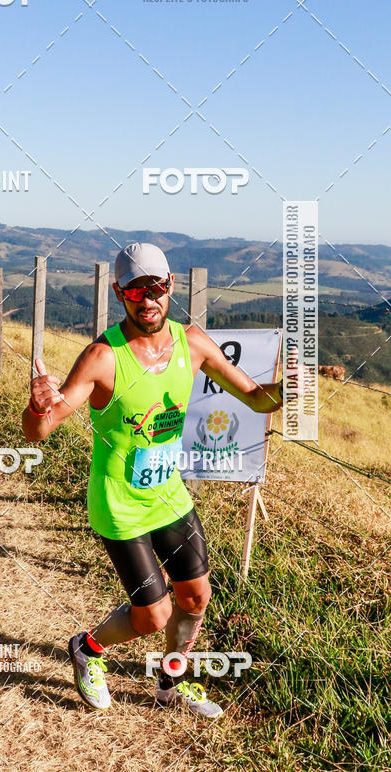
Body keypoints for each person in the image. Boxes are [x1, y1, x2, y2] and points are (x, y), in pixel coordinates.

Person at [22, 242, 284, 716]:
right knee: (153, 615)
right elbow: (38, 432)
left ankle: (170, 683)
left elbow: (255, 397)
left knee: (196, 596)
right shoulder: (103, 357)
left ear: (170, 287)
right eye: (135, 290)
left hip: (169, 496)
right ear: (119, 293)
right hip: (119, 504)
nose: (148, 300)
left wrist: (291, 390)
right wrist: (38, 407)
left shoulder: (193, 343)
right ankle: (87, 648)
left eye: (156, 288)